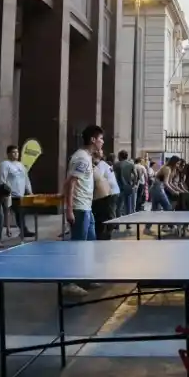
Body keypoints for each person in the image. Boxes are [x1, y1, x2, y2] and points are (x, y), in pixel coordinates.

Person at [62, 125, 103, 296]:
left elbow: (73, 180)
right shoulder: (81, 158)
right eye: (100, 139)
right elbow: (70, 183)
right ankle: (69, 283)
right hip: (79, 208)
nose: (102, 142)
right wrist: (69, 209)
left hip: (87, 208)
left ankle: (84, 278)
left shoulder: (86, 157)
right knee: (78, 247)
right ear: (93, 140)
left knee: (89, 246)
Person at [0, 145, 34, 238]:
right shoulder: (5, 164)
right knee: (12, 212)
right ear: (8, 154)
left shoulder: (21, 165)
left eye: (17, 152)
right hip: (10, 194)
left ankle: (23, 230)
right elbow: (2, 179)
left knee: (21, 212)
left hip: (20, 194)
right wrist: (4, 191)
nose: (16, 154)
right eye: (14, 152)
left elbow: (26, 179)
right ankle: (13, 230)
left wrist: (29, 191)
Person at [113, 150, 136, 218]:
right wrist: (133, 184)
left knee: (119, 206)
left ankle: (118, 223)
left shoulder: (116, 164)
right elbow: (136, 175)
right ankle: (128, 223)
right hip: (128, 186)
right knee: (128, 205)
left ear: (120, 156)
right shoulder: (131, 164)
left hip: (119, 187)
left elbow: (113, 175)